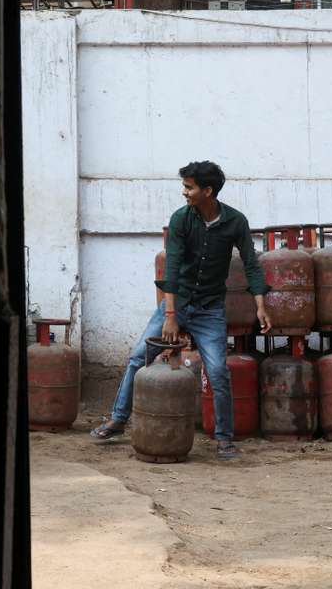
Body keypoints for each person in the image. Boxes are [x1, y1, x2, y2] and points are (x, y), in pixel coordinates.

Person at [90, 161, 271, 459]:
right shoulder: (181, 219)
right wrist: (171, 316)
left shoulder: (235, 222)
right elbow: (171, 266)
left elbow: (251, 263)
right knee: (138, 358)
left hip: (210, 309)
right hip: (177, 303)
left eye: (189, 187)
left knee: (218, 372)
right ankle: (119, 419)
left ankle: (225, 439)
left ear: (208, 191)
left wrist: (260, 306)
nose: (184, 192)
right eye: (185, 186)